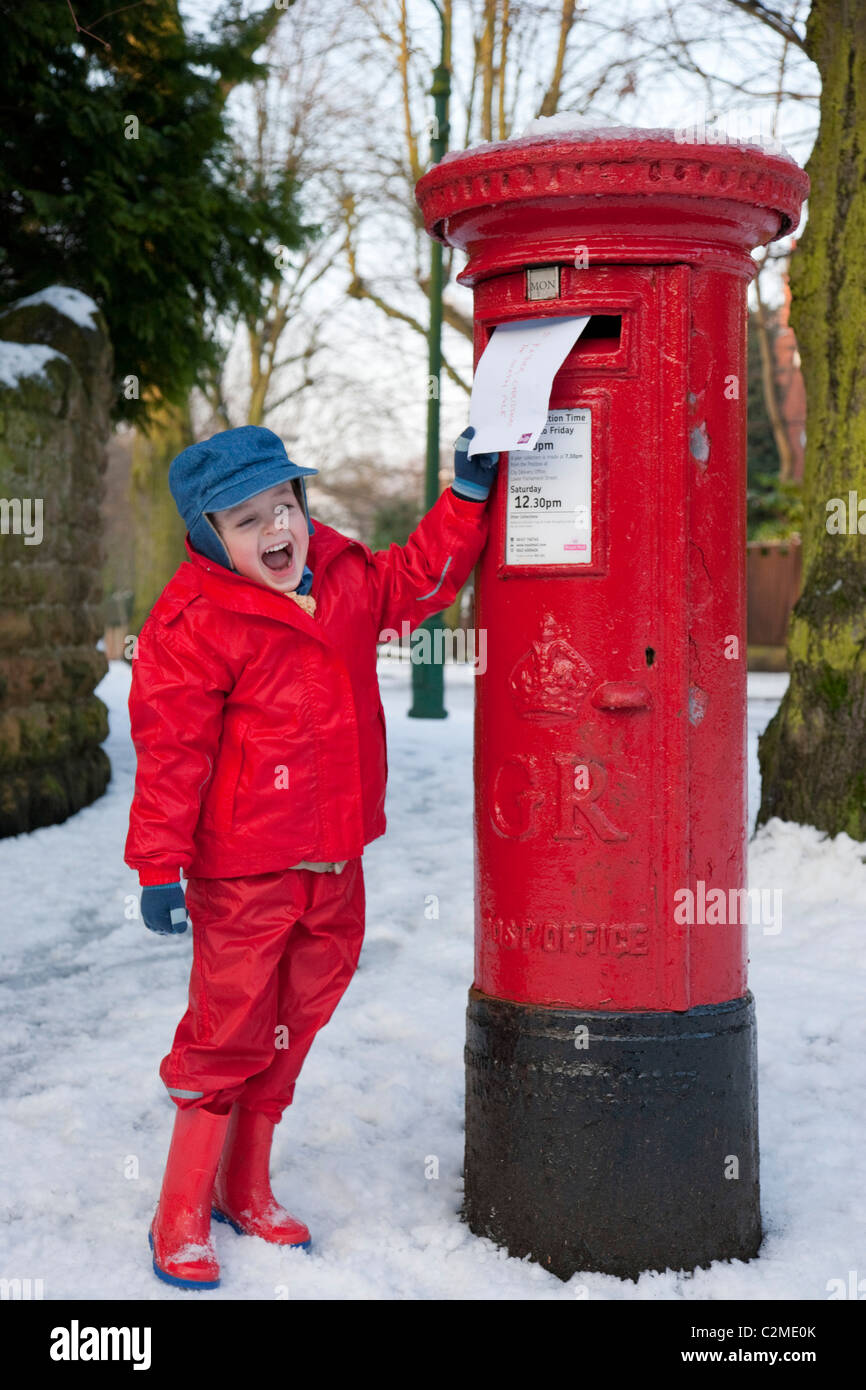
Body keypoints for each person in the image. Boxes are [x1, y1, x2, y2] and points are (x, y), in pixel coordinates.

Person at [124, 422, 499, 1289]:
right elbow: (172, 748)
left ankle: (244, 1182)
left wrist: (468, 498)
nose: (277, 529)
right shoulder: (193, 620)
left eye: (285, 503)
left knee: (301, 1014)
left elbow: (417, 583)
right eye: (249, 518)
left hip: (336, 855)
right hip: (245, 868)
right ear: (209, 536)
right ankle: (180, 1208)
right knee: (229, 1029)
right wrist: (157, 864)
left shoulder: (343, 576)